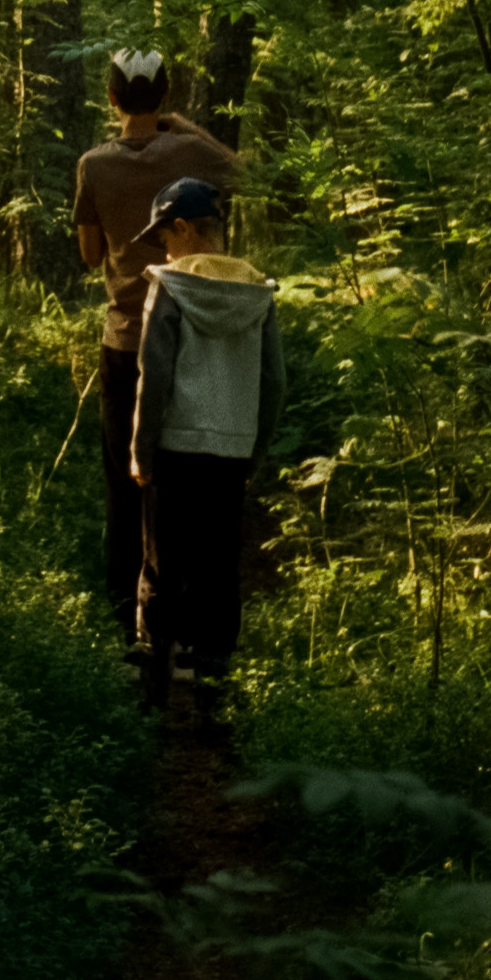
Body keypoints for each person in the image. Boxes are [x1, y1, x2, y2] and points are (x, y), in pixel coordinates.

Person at [74, 50, 239, 642]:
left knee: (126, 480)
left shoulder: (93, 165)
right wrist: (185, 126)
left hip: (124, 340)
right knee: (191, 479)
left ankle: (127, 620)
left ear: (113, 99)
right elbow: (245, 169)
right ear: (163, 96)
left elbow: (90, 255)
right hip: (189, 336)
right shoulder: (191, 153)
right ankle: (193, 621)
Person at [130, 181, 284, 713]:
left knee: (162, 562)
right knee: (218, 566)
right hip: (232, 451)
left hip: (174, 447)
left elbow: (154, 375)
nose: (164, 251)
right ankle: (214, 691)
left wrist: (140, 450)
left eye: (164, 237)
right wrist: (254, 452)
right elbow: (274, 382)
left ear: (185, 229)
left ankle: (154, 681)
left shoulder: (170, 286)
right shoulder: (258, 293)